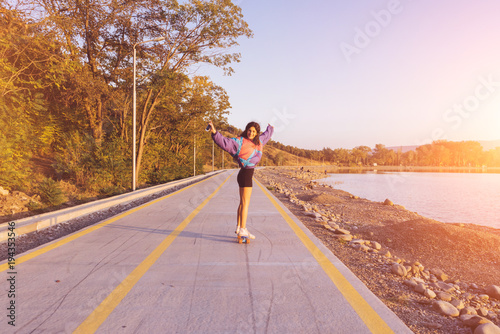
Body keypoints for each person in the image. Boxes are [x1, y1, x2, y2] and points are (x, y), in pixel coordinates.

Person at [208, 121, 274, 240]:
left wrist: (271, 128)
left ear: (256, 133)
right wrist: (214, 132)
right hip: (245, 175)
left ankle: (239, 226)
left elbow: (266, 135)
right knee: (245, 203)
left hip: (245, 174)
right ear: (246, 130)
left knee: (242, 203)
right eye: (249, 130)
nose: (251, 133)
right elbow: (224, 142)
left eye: (254, 131)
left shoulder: (259, 142)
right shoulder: (240, 142)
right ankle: (243, 229)